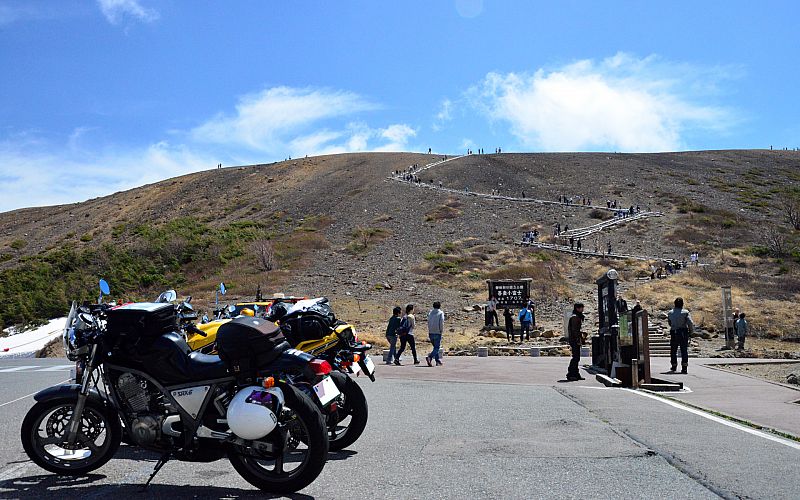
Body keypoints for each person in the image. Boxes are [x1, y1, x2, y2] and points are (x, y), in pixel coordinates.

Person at [667, 297, 694, 374]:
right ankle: (684, 367)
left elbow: (669, 323)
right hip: (683, 332)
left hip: (674, 332)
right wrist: (691, 332)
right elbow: (690, 323)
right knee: (684, 350)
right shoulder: (685, 312)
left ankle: (674, 365)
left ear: (674, 304)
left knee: (673, 350)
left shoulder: (670, 313)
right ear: (682, 304)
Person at [566, 303, 586, 381]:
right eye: (581, 308)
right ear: (577, 308)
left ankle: (575, 374)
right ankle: (571, 373)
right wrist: (578, 339)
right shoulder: (575, 317)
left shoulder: (577, 317)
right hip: (574, 340)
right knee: (576, 357)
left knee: (577, 357)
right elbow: (575, 331)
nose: (582, 309)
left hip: (575, 339)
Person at [426, 302, 445, 366]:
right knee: (437, 348)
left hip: (431, 332)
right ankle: (430, 357)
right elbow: (441, 322)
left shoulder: (430, 313)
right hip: (437, 332)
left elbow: (428, 322)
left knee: (435, 347)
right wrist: (441, 330)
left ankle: (437, 361)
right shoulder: (440, 313)